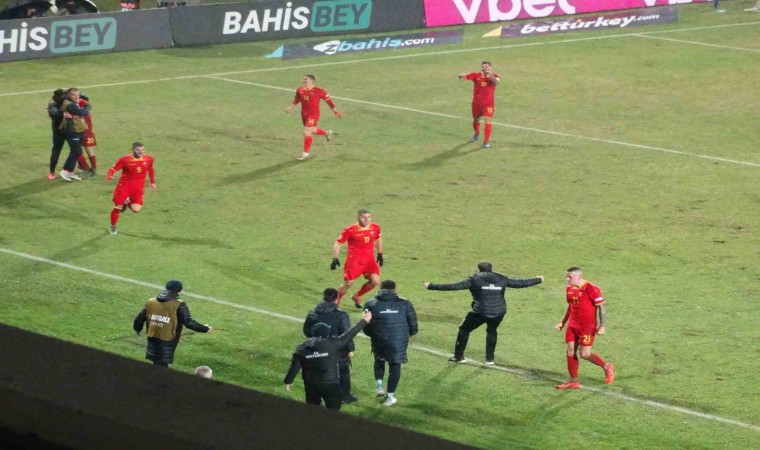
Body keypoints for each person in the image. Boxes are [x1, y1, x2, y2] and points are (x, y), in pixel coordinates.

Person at [424, 262, 543, 365]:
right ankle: (489, 359)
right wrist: (538, 279)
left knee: (464, 330)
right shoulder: (501, 278)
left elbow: (454, 286)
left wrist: (431, 286)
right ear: (491, 269)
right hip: (498, 312)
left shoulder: (474, 279)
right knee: (492, 331)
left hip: (480, 313)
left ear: (479, 269)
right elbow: (520, 283)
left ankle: (459, 357)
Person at [284, 310, 372, 411]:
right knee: (334, 409)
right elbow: (349, 334)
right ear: (327, 333)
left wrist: (288, 381)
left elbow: (294, 366)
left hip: (311, 385)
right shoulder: (332, 344)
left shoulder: (301, 348)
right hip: (330, 384)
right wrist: (364, 320)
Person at [554, 267, 615, 389]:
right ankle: (574, 381)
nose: (567, 279)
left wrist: (602, 326)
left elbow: (601, 308)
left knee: (584, 354)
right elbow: (570, 306)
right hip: (573, 325)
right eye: (567, 277)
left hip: (587, 327)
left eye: (570, 277)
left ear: (579, 277)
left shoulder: (592, 288)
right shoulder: (569, 289)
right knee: (570, 351)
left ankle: (606, 366)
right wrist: (563, 323)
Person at [362, 280, 418, 407]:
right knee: (395, 365)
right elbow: (413, 322)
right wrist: (411, 333)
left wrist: (372, 334)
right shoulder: (405, 303)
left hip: (379, 338)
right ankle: (390, 397)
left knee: (379, 359)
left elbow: (365, 324)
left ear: (380, 288)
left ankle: (379, 387)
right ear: (395, 289)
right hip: (398, 340)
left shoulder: (370, 303)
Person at [133, 280, 214, 367]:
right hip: (167, 339)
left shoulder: (151, 301)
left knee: (158, 362)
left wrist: (137, 328)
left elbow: (139, 318)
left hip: (152, 335)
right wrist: (205, 329)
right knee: (161, 364)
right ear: (179, 291)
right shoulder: (179, 304)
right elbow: (189, 323)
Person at [303, 288, 358, 404]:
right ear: (337, 299)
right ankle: (345, 396)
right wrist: (350, 349)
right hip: (336, 349)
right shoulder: (341, 315)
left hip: (317, 348)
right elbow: (347, 334)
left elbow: (307, 331)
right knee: (343, 371)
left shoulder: (312, 312)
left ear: (324, 298)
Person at [331, 209, 383, 309]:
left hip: (369, 260)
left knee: (375, 281)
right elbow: (338, 243)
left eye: (368, 217)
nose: (366, 220)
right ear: (358, 217)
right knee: (348, 283)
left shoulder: (375, 227)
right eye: (363, 218)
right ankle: (335, 301)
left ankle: (357, 296)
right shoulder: (350, 230)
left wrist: (380, 253)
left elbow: (378, 239)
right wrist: (335, 258)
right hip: (354, 261)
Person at [284, 74, 341, 161]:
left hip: (314, 114)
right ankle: (326, 133)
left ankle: (305, 154)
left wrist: (335, 111)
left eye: (305, 79)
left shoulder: (319, 90)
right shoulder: (300, 89)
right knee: (312, 129)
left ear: (311, 80)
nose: (304, 81)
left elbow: (329, 101)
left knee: (307, 131)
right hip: (304, 114)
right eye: (303, 79)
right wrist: (290, 107)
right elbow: (297, 99)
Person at [106, 142, 156, 235]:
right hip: (124, 187)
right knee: (118, 208)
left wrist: (152, 182)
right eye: (138, 150)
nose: (141, 152)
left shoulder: (149, 159)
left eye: (142, 150)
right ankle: (113, 227)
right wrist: (110, 175)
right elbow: (113, 169)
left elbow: (151, 169)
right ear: (133, 150)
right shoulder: (125, 160)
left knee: (136, 209)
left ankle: (126, 202)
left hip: (138, 189)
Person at [458, 61, 500, 149]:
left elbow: (496, 82)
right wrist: (461, 75)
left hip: (488, 104)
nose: (485, 69)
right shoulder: (476, 75)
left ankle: (486, 142)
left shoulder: (495, 76)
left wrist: (489, 75)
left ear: (490, 68)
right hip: (477, 104)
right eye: (483, 67)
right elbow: (462, 76)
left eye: (487, 67)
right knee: (476, 120)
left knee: (487, 121)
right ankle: (476, 134)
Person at [58, 88, 91, 181]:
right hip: (72, 131)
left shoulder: (73, 103)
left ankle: (70, 172)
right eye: (73, 95)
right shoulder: (70, 104)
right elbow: (83, 112)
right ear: (69, 95)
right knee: (76, 151)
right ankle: (65, 171)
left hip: (79, 130)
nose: (76, 97)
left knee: (77, 152)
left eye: (78, 95)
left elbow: (80, 113)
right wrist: (86, 106)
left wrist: (75, 115)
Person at [47, 89, 67, 180]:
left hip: (70, 129)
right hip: (58, 131)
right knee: (56, 150)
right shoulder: (52, 105)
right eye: (62, 96)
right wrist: (65, 109)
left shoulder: (67, 101)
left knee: (76, 150)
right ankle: (52, 171)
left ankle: (71, 170)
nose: (64, 97)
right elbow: (57, 114)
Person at [75, 93, 97, 176]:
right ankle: (91, 168)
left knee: (78, 149)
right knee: (87, 149)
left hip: (83, 132)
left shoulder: (81, 109)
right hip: (88, 132)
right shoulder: (86, 109)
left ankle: (87, 168)